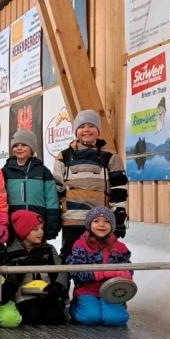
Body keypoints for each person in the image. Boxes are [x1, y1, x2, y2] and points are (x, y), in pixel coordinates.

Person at [53, 109, 129, 260]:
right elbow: (56, 188)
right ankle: (65, 276)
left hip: (100, 222)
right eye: (81, 127)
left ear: (98, 130)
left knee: (100, 258)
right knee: (70, 257)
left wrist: (119, 215)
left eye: (91, 126)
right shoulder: (63, 157)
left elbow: (119, 189)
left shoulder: (111, 158)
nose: (86, 130)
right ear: (76, 131)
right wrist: (53, 215)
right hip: (72, 220)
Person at [66, 206, 133, 326]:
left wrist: (126, 274)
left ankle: (117, 307)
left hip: (111, 290)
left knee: (116, 319)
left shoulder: (119, 247)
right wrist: (100, 273)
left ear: (112, 225)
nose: (101, 225)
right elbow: (75, 271)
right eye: (96, 221)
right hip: (87, 290)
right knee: (90, 317)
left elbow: (128, 267)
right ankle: (76, 306)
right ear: (89, 224)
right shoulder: (81, 245)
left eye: (106, 221)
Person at [5, 210, 68, 325]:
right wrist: (20, 269)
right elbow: (7, 278)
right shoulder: (11, 251)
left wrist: (58, 286)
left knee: (55, 317)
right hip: (23, 296)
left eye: (42, 228)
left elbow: (61, 270)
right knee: (32, 316)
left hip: (47, 293)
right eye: (35, 229)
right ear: (23, 231)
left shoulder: (48, 249)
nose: (41, 232)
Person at [2, 129, 61, 241]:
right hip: (15, 225)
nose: (19, 148)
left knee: (38, 251)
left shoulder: (43, 171)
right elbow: (1, 199)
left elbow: (51, 200)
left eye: (24, 145)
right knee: (15, 250)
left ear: (32, 148)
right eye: (16, 145)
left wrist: (52, 223)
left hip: (38, 225)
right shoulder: (5, 172)